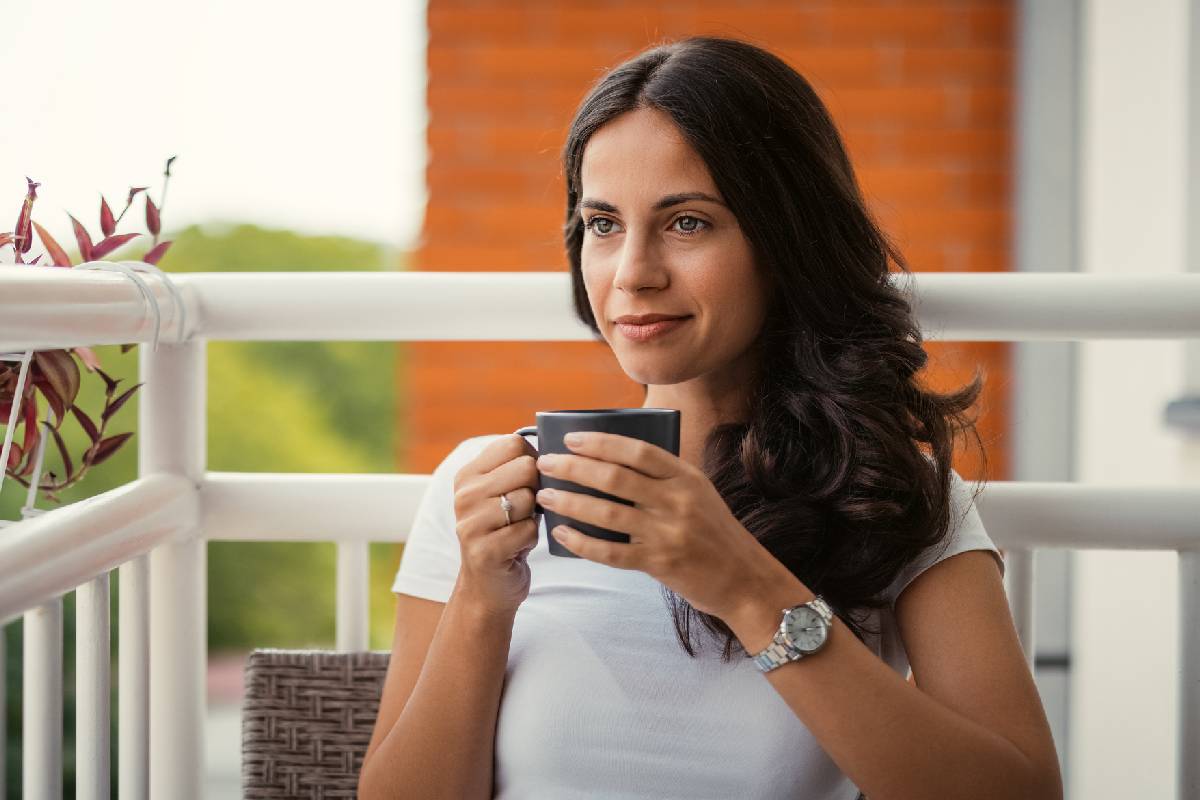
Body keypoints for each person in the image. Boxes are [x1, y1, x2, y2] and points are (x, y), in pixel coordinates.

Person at [358, 36, 1062, 800]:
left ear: (786, 240)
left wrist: (746, 588)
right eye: (603, 225)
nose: (633, 273)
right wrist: (479, 602)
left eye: (687, 222)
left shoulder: (892, 494)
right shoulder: (493, 489)